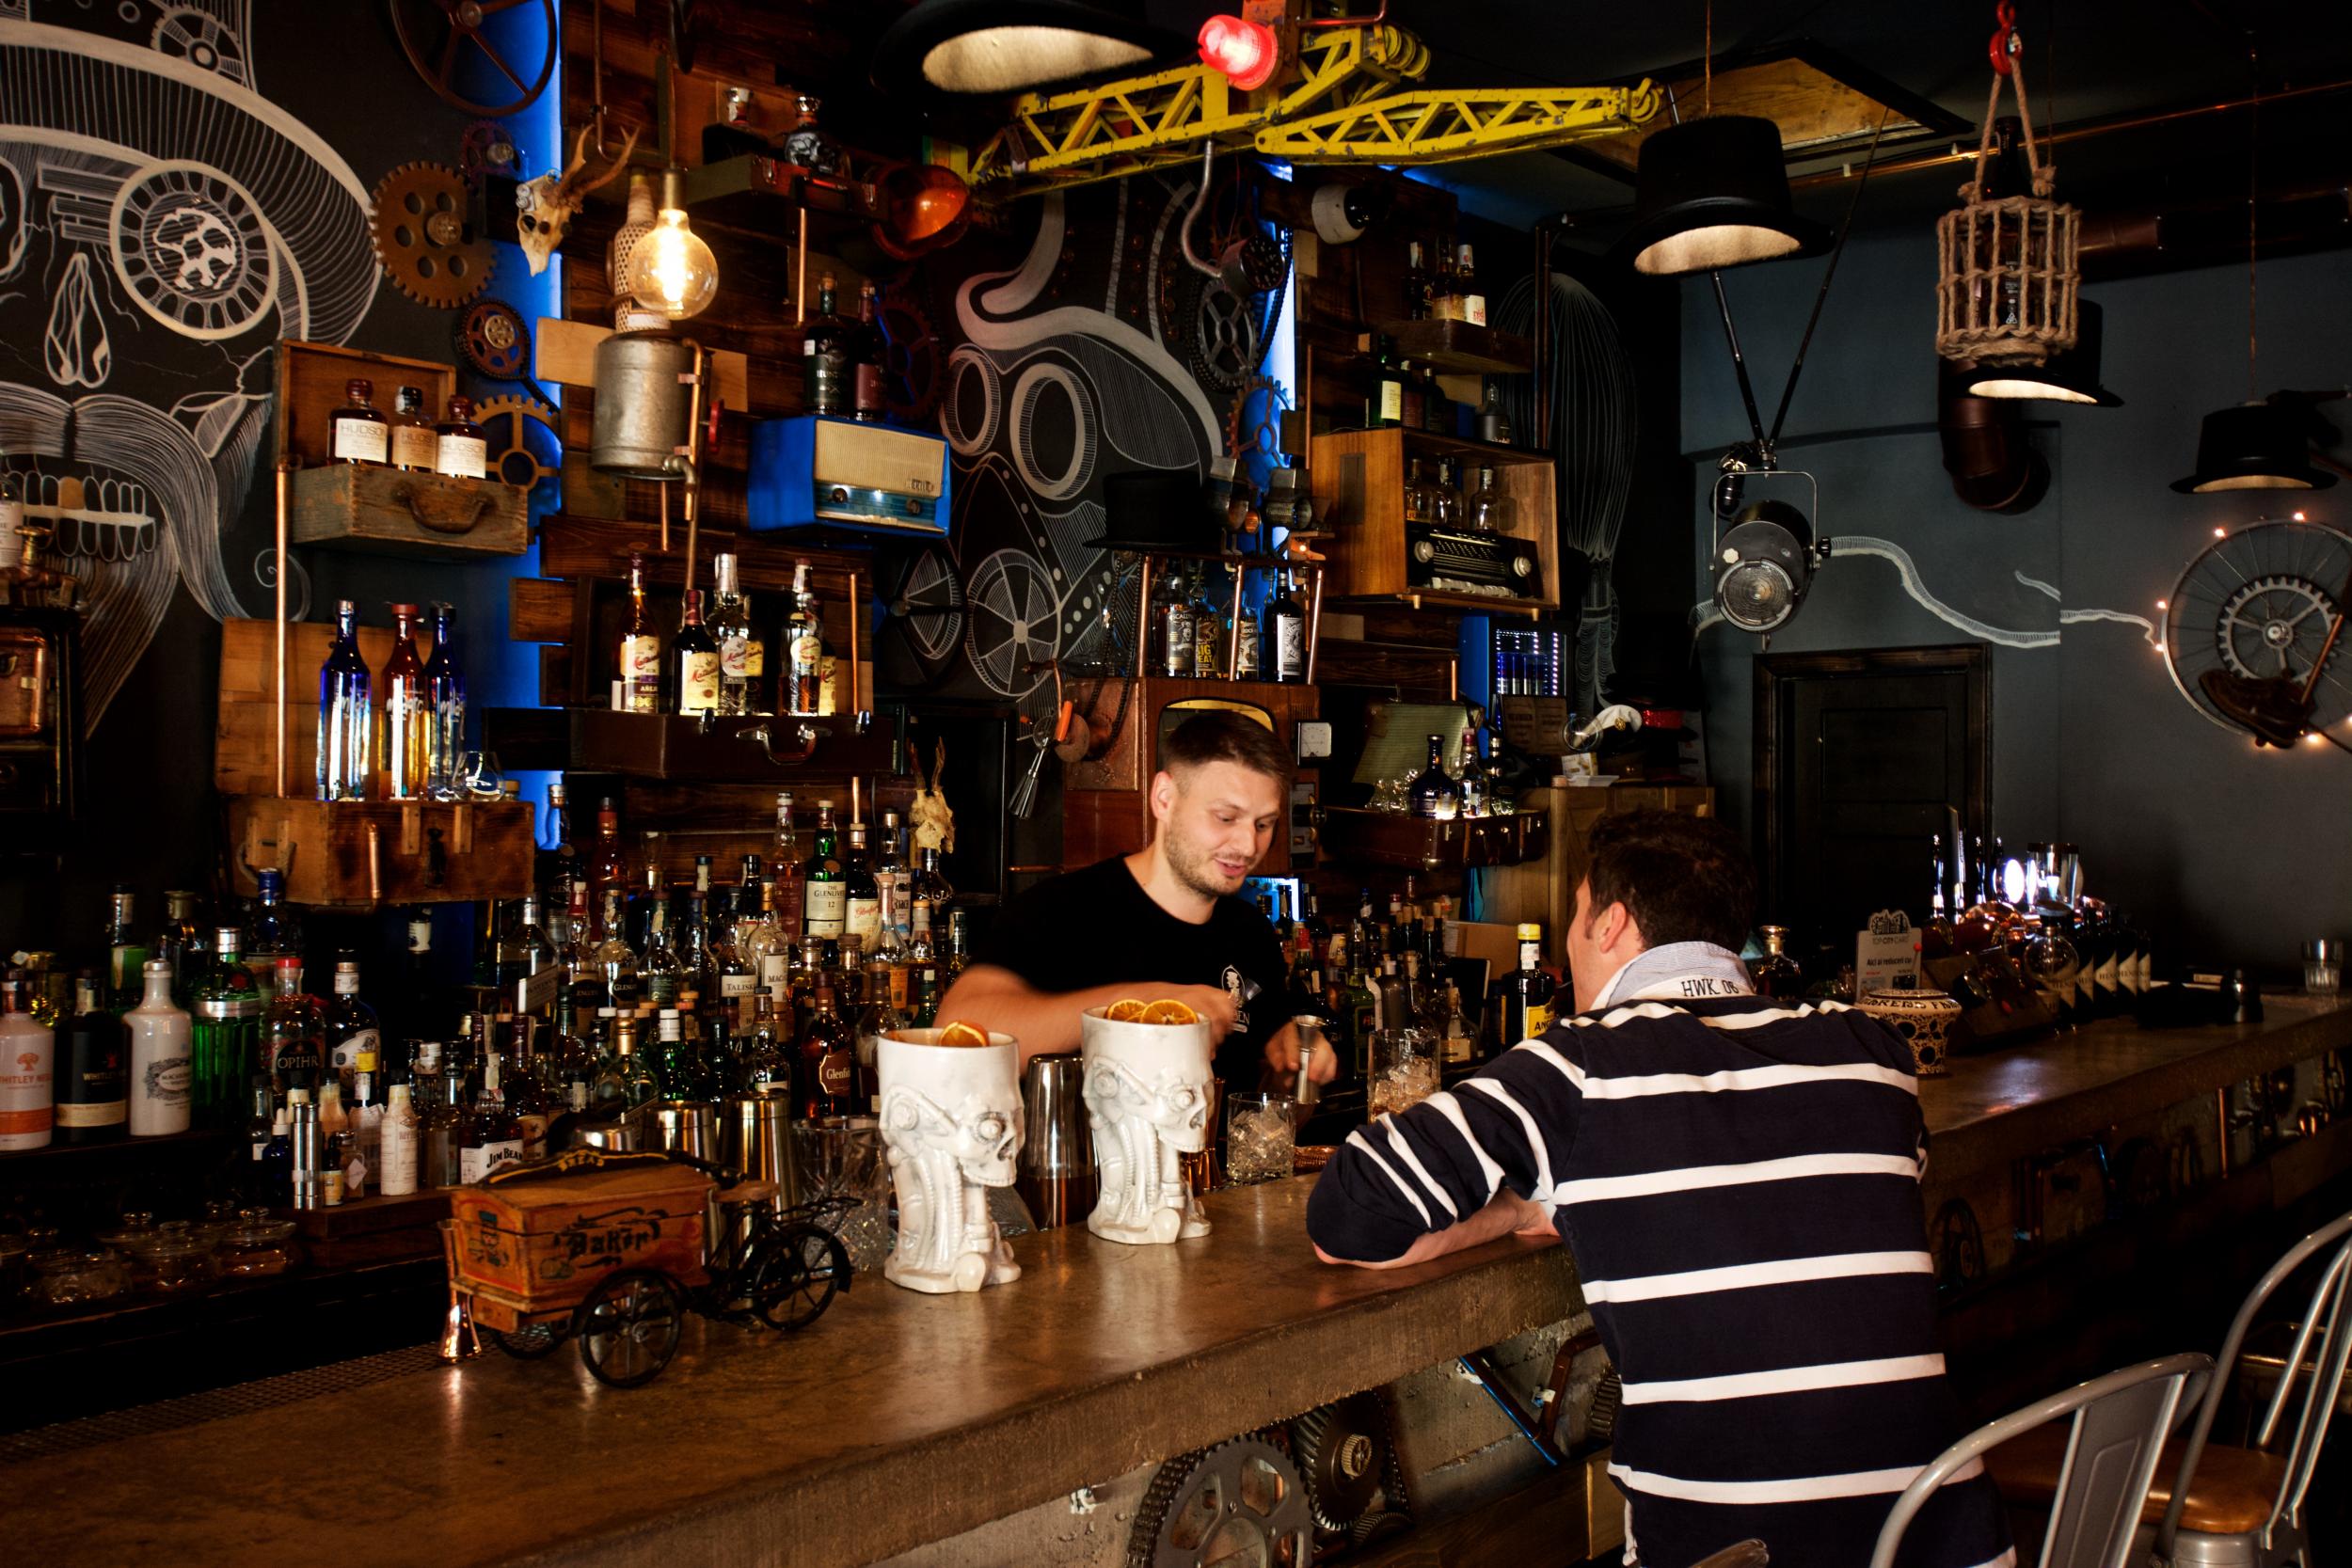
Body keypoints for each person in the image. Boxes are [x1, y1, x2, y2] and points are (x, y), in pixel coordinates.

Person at [1306, 811, 2009, 1568]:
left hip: (1736, 1556)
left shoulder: (1577, 1068)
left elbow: (1346, 1215)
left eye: (1573, 917)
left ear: (1610, 924)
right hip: (1949, 1546)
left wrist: (1518, 1207)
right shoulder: (1870, 1052)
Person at [941, 710, 1338, 1094]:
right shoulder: (1063, 910)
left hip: (1209, 1164)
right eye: (1225, 818)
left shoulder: (1251, 935)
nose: (1249, 845)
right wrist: (1146, 1003)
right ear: (1164, 798)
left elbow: (1262, 1113)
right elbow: (957, 1033)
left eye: (1263, 824)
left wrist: (1295, 1077)